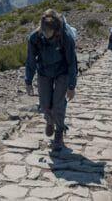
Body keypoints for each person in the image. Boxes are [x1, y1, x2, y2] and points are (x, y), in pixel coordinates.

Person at [24, 9, 78, 150]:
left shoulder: (66, 38)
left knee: (59, 104)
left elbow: (72, 62)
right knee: (44, 104)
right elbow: (30, 60)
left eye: (48, 32)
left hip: (62, 72)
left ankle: (59, 131)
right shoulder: (35, 38)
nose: (45, 34)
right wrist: (28, 81)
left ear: (56, 29)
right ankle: (49, 121)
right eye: (43, 31)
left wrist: (71, 86)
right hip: (44, 72)